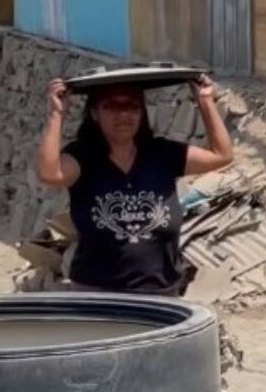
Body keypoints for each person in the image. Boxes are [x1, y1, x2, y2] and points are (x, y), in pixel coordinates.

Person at [35, 73, 234, 295]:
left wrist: (205, 101)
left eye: (132, 106)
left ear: (142, 113)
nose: (122, 114)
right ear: (94, 113)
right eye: (111, 106)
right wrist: (56, 113)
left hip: (161, 292)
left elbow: (221, 155)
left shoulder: (162, 155)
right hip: (96, 293)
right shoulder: (84, 158)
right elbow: (50, 173)